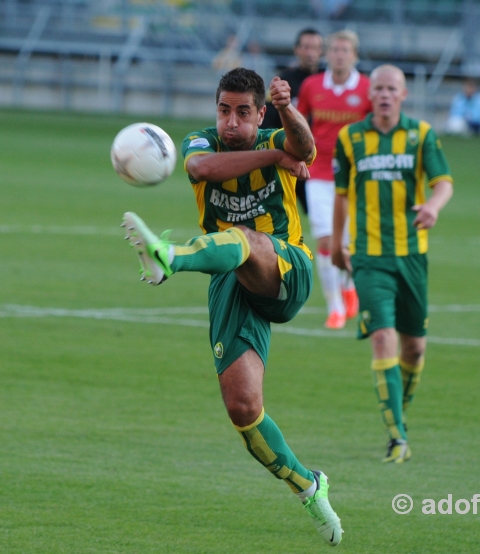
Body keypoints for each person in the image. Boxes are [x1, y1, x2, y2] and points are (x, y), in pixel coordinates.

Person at [122, 68, 343, 546]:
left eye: (244, 112)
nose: (231, 122)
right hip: (230, 277)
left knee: (244, 237)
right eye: (225, 110)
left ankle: (170, 257)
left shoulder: (276, 129)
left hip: (287, 266)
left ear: (260, 112)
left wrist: (287, 117)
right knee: (243, 408)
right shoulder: (199, 142)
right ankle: (309, 486)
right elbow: (201, 170)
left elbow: (305, 149)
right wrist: (276, 156)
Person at [331, 65, 453, 463]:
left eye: (392, 89)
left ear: (403, 94)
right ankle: (397, 436)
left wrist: (433, 207)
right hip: (368, 257)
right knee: (383, 337)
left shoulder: (421, 135)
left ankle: (398, 416)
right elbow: (342, 193)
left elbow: (443, 182)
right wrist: (337, 242)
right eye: (378, 88)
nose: (384, 94)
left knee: (415, 348)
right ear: (371, 95)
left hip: (412, 255)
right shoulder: (350, 138)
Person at [297, 30, 371, 330]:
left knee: (348, 244)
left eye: (345, 50)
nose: (339, 54)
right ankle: (335, 307)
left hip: (356, 175)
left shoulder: (367, 87)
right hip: (320, 173)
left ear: (354, 55)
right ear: (328, 54)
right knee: (326, 241)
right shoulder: (312, 86)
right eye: (335, 49)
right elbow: (299, 123)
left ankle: (349, 284)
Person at [260, 28, 324, 215]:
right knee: (277, 214)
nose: (310, 53)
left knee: (321, 215)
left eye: (315, 48)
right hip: (286, 158)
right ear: (296, 50)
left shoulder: (327, 82)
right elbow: (267, 122)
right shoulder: (283, 81)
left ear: (322, 51)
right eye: (305, 47)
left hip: (317, 160)